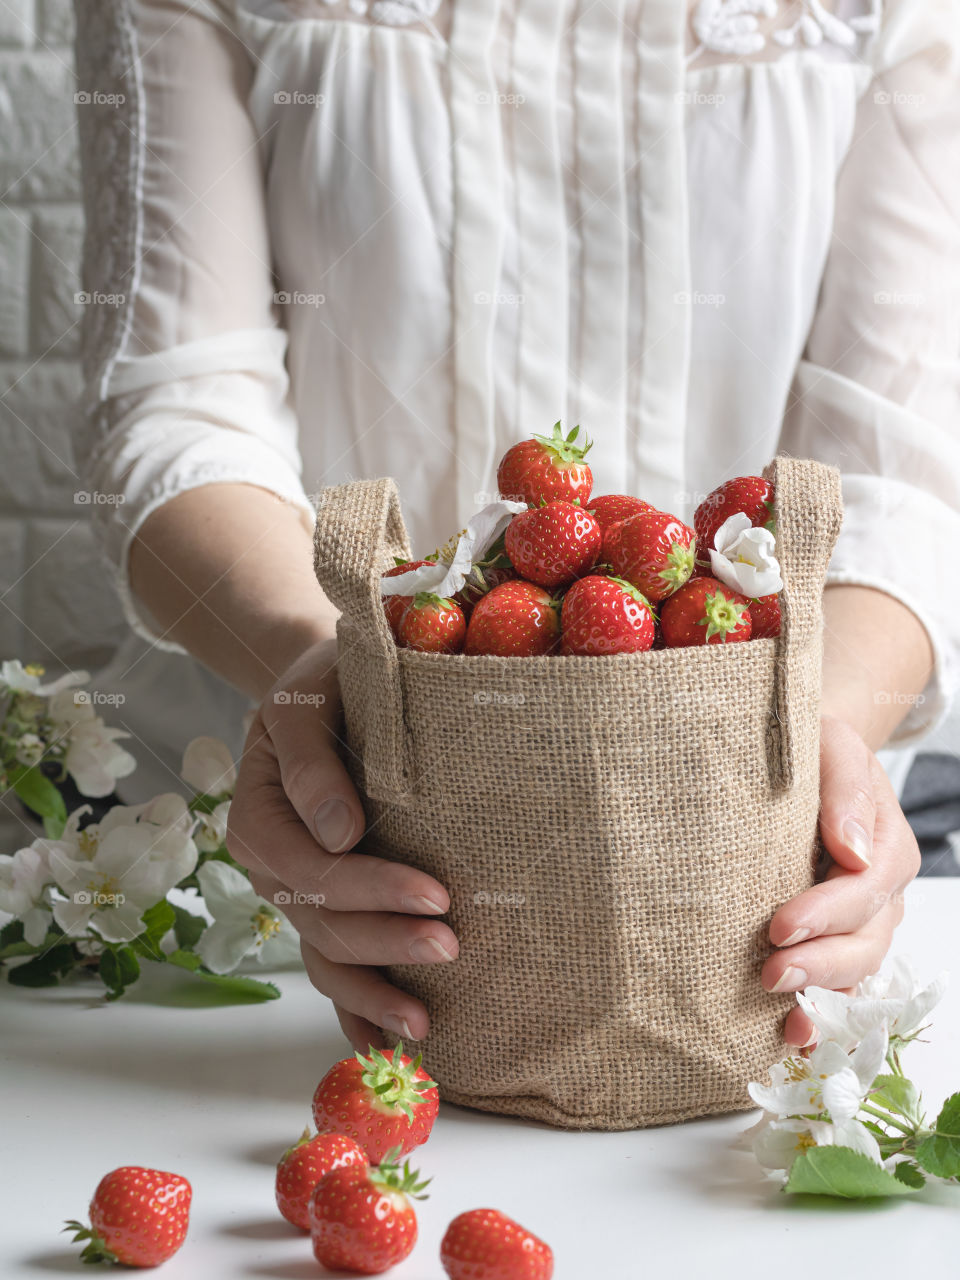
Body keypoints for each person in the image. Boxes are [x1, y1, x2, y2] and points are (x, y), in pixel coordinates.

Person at [73, 0, 959, 1051]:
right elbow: (176, 401)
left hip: (758, 850)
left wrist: (812, 742)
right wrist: (326, 677)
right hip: (280, 871)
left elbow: (901, 469)